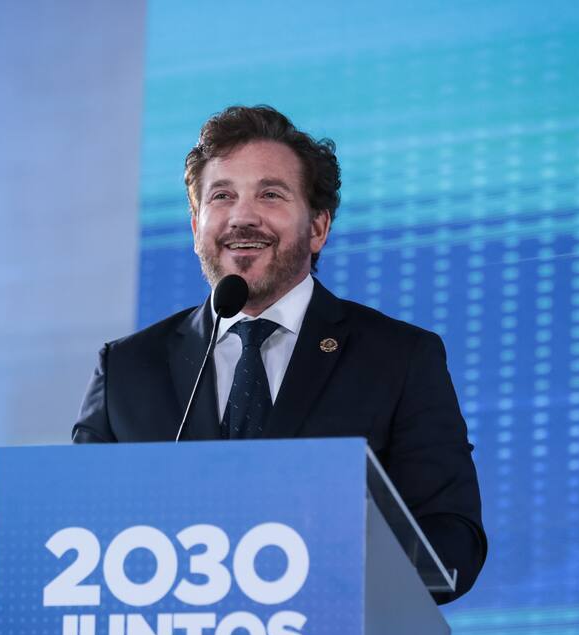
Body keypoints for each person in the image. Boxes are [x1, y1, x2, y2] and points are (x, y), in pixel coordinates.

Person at [73, 105, 486, 601]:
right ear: (196, 225)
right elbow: (75, 530)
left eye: (270, 194)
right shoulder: (126, 370)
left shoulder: (398, 358)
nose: (242, 217)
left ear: (318, 227)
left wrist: (316, 567)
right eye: (222, 196)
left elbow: (451, 542)